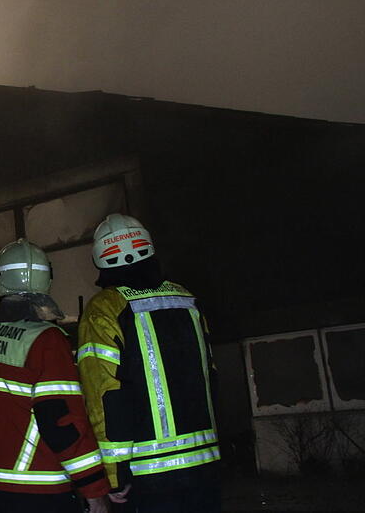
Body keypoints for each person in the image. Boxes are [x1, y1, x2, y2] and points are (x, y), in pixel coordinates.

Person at [77, 214, 221, 512]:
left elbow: (105, 397)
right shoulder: (187, 300)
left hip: (146, 477)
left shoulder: (104, 308)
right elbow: (212, 378)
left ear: (99, 258)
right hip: (204, 466)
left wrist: (114, 475)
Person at [0, 239, 111, 513]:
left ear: (0, 277)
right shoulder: (47, 341)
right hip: (42, 491)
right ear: (46, 278)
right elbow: (62, 423)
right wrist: (95, 490)